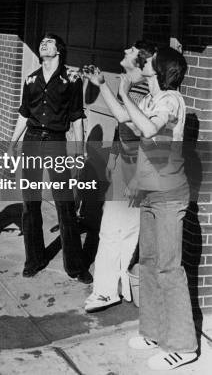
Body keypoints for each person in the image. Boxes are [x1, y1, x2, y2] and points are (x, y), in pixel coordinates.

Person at [120, 47, 197, 371]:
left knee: (169, 269)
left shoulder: (171, 101)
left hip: (169, 196)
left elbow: (149, 130)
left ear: (160, 67)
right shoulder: (152, 100)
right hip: (151, 192)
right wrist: (111, 89)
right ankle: (153, 331)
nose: (144, 61)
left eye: (150, 60)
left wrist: (124, 91)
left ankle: (184, 346)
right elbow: (130, 122)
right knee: (149, 264)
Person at [9, 33, 91, 282]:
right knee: (30, 202)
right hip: (32, 139)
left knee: (64, 203)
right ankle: (34, 260)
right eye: (41, 41)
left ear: (59, 50)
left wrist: (80, 148)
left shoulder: (72, 79)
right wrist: (13, 142)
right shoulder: (30, 78)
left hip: (56, 140)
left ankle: (76, 266)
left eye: (49, 42)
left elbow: (76, 116)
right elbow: (24, 113)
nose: (43, 43)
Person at [82, 41, 155, 313]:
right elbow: (121, 128)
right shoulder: (132, 86)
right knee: (125, 231)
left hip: (138, 168)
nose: (125, 50)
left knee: (113, 231)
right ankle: (120, 285)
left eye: (132, 50)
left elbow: (135, 127)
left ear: (141, 60)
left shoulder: (144, 91)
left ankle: (104, 292)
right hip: (127, 166)